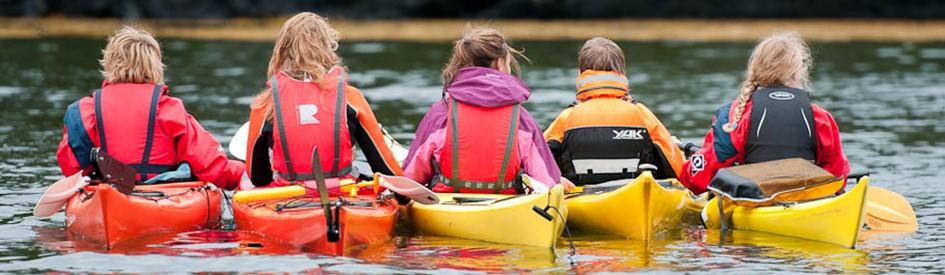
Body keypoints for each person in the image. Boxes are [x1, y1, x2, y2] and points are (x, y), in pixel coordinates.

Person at [56, 26, 244, 189]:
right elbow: (213, 167)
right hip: (161, 198)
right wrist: (248, 173)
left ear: (109, 63)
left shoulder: (83, 111)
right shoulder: (169, 109)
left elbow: (71, 169)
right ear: (155, 66)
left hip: (107, 197)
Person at [402, 26, 571, 194]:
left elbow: (410, 176)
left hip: (446, 205)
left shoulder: (440, 113)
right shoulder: (521, 118)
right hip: (505, 207)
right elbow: (548, 181)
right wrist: (557, 180)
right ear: (500, 63)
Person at [245, 12, 402, 190]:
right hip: (343, 194)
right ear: (327, 48)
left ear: (282, 51)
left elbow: (257, 177)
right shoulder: (350, 98)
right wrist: (405, 200)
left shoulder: (265, 104)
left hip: (288, 198)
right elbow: (385, 169)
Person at [680, 31, 849, 195]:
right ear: (799, 73)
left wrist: (687, 168)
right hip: (807, 204)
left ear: (754, 69)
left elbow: (698, 181)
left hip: (753, 204)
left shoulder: (733, 117)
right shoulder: (820, 118)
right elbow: (838, 175)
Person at [544, 37, 684, 185]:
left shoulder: (567, 118)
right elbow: (678, 169)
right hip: (636, 194)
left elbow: (535, 161)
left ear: (580, 74)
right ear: (622, 73)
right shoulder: (642, 114)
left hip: (580, 197)